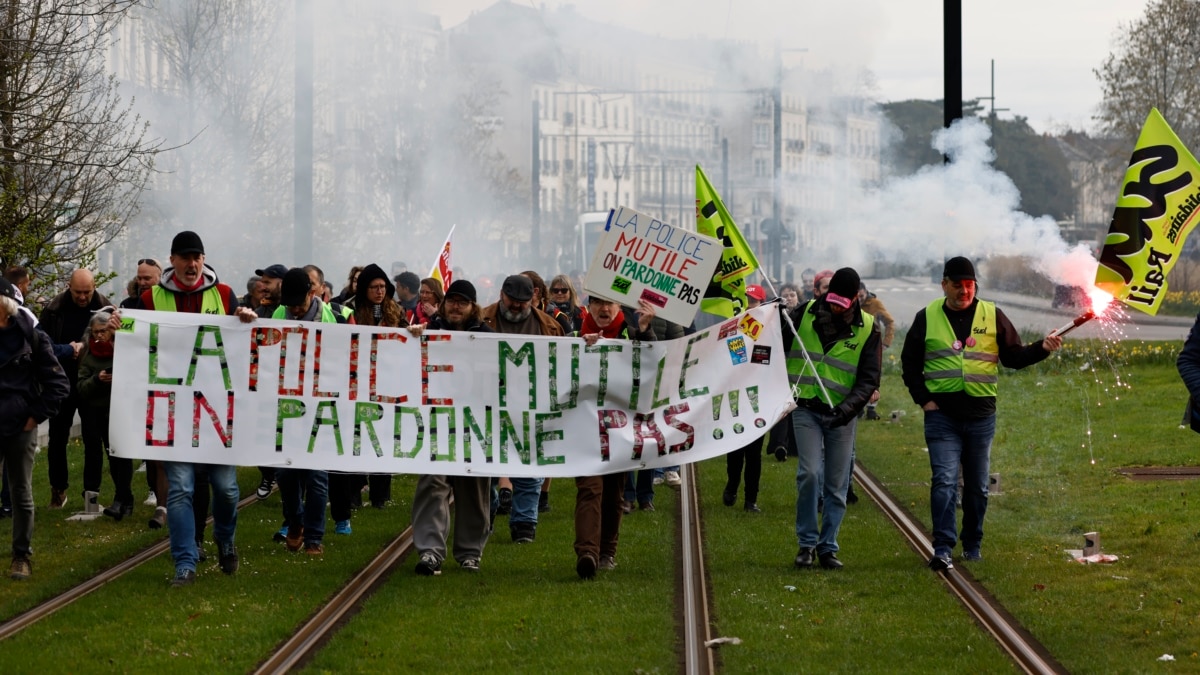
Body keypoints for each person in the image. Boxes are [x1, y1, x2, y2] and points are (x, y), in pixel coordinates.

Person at [900, 256, 1061, 571]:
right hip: (941, 417)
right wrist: (924, 400)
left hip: (980, 417)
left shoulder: (992, 314)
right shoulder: (927, 317)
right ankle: (943, 547)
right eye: (958, 285)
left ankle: (972, 544)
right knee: (944, 481)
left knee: (977, 486)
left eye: (969, 285)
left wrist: (1043, 348)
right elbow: (910, 364)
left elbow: (1013, 357)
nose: (964, 291)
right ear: (944, 284)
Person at [130, 230, 249, 586]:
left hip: (216, 413)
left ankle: (225, 540)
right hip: (174, 412)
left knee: (226, 489)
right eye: (185, 258)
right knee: (180, 487)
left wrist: (246, 317)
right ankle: (185, 561)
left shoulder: (225, 295)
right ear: (172, 261)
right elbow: (133, 341)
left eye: (197, 257)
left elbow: (246, 345)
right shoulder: (150, 299)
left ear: (203, 258)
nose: (192, 264)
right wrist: (120, 329)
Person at [789, 268, 881, 570]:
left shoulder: (869, 328)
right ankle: (806, 544)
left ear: (856, 298)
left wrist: (845, 411)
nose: (835, 306)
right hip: (805, 407)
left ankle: (828, 546)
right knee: (810, 474)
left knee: (837, 484)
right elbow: (772, 341)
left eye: (842, 302)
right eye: (832, 300)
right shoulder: (803, 314)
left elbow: (869, 380)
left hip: (842, 415)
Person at [268, 268, 354, 556]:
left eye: (298, 303)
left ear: (313, 294)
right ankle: (295, 523)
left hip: (322, 407)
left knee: (317, 477)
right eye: (288, 303)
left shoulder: (338, 318)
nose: (293, 309)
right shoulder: (277, 315)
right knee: (286, 475)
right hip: (287, 408)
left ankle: (314, 538)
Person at [410, 280, 493, 575]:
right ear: (444, 304)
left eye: (463, 302)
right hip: (436, 422)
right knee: (433, 483)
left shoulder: (486, 337)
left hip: (473, 424)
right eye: (452, 301)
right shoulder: (428, 330)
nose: (456, 306)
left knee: (473, 486)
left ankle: (470, 552)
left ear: (473, 307)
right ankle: (430, 551)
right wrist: (414, 339)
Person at [573, 295, 657, 578]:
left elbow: (653, 363)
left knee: (612, 493)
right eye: (598, 302)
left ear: (620, 307)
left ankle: (607, 551)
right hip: (584, 430)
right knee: (589, 489)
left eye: (610, 303)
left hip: (620, 430)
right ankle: (587, 552)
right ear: (589, 305)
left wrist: (645, 330)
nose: (604, 309)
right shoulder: (575, 334)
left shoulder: (632, 334)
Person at [480, 274, 564, 543]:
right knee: (486, 466)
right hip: (489, 403)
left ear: (533, 299)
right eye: (511, 301)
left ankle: (524, 524)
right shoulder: (482, 320)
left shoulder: (550, 326)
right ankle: (487, 513)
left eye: (522, 302)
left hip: (533, 406)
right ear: (501, 295)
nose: (516, 306)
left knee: (529, 465)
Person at [0, 278, 70, 580]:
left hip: (20, 426)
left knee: (21, 492)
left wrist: (34, 417)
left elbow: (58, 384)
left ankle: (21, 556)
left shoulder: (32, 337)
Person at [40, 269, 112, 509]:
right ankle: (58, 490)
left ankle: (91, 497)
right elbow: (41, 343)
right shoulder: (53, 309)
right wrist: (65, 350)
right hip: (61, 382)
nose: (83, 297)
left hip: (93, 384)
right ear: (68, 287)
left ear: (94, 287)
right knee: (57, 438)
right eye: (78, 292)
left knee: (93, 439)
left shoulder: (106, 309)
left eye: (87, 292)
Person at [349, 263, 407, 512]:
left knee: (384, 436)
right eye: (374, 287)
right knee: (357, 437)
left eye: (383, 287)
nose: (380, 292)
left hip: (388, 382)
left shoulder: (396, 312)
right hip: (360, 382)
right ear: (365, 289)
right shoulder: (350, 311)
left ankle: (380, 496)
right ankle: (353, 493)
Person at [76, 309, 136, 521]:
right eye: (95, 333)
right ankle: (93, 501)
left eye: (103, 331)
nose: (99, 336)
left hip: (118, 412)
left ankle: (124, 499)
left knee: (118, 456)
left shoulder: (123, 350)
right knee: (93, 455)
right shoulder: (87, 353)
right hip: (93, 412)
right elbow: (81, 387)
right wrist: (97, 379)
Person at [724, 284, 769, 512]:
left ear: (762, 303)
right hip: (736, 393)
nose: (749, 305)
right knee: (735, 446)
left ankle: (751, 499)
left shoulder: (770, 327)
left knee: (754, 452)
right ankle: (732, 484)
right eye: (747, 300)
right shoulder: (733, 325)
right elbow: (732, 358)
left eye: (753, 301)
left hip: (758, 397)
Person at [857, 282, 895, 422]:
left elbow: (889, 322)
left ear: (865, 292)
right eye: (856, 296)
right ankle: (858, 407)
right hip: (856, 346)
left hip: (873, 347)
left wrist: (886, 342)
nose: (859, 299)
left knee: (873, 377)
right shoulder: (852, 304)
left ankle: (871, 408)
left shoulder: (875, 304)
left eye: (861, 296)